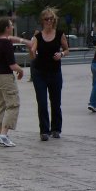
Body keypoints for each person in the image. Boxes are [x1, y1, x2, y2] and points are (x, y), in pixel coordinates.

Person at [30, 7, 69, 141]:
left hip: (55, 72)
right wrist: (31, 49)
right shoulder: (37, 36)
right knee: (42, 102)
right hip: (39, 72)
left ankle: (56, 129)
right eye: (46, 19)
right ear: (42, 20)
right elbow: (33, 53)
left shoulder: (59, 34)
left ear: (54, 20)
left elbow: (67, 49)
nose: (49, 21)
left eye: (51, 19)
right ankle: (44, 131)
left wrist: (62, 54)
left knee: (55, 102)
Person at [0, 17, 26, 147]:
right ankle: (4, 135)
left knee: (1, 105)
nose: (13, 27)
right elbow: (13, 66)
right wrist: (21, 71)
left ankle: (0, 133)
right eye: (11, 25)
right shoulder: (6, 44)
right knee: (13, 105)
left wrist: (23, 40)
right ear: (6, 28)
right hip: (5, 77)